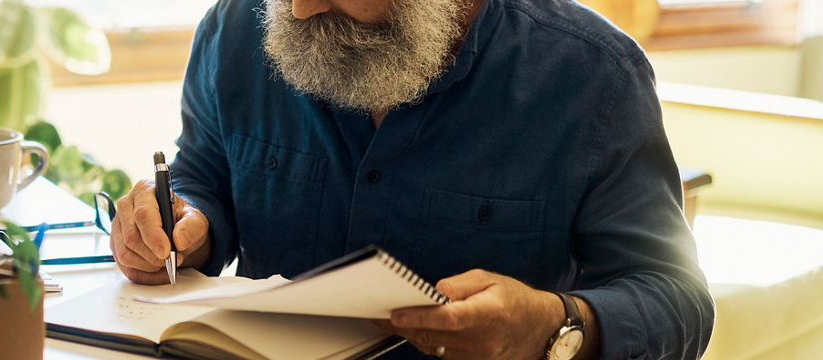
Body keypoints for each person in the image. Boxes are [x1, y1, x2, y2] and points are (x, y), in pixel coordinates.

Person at [108, 0, 715, 358]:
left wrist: (554, 324)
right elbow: (205, 175)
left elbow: (676, 298)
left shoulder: (591, 76)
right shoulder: (237, 26)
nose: (298, 9)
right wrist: (183, 224)